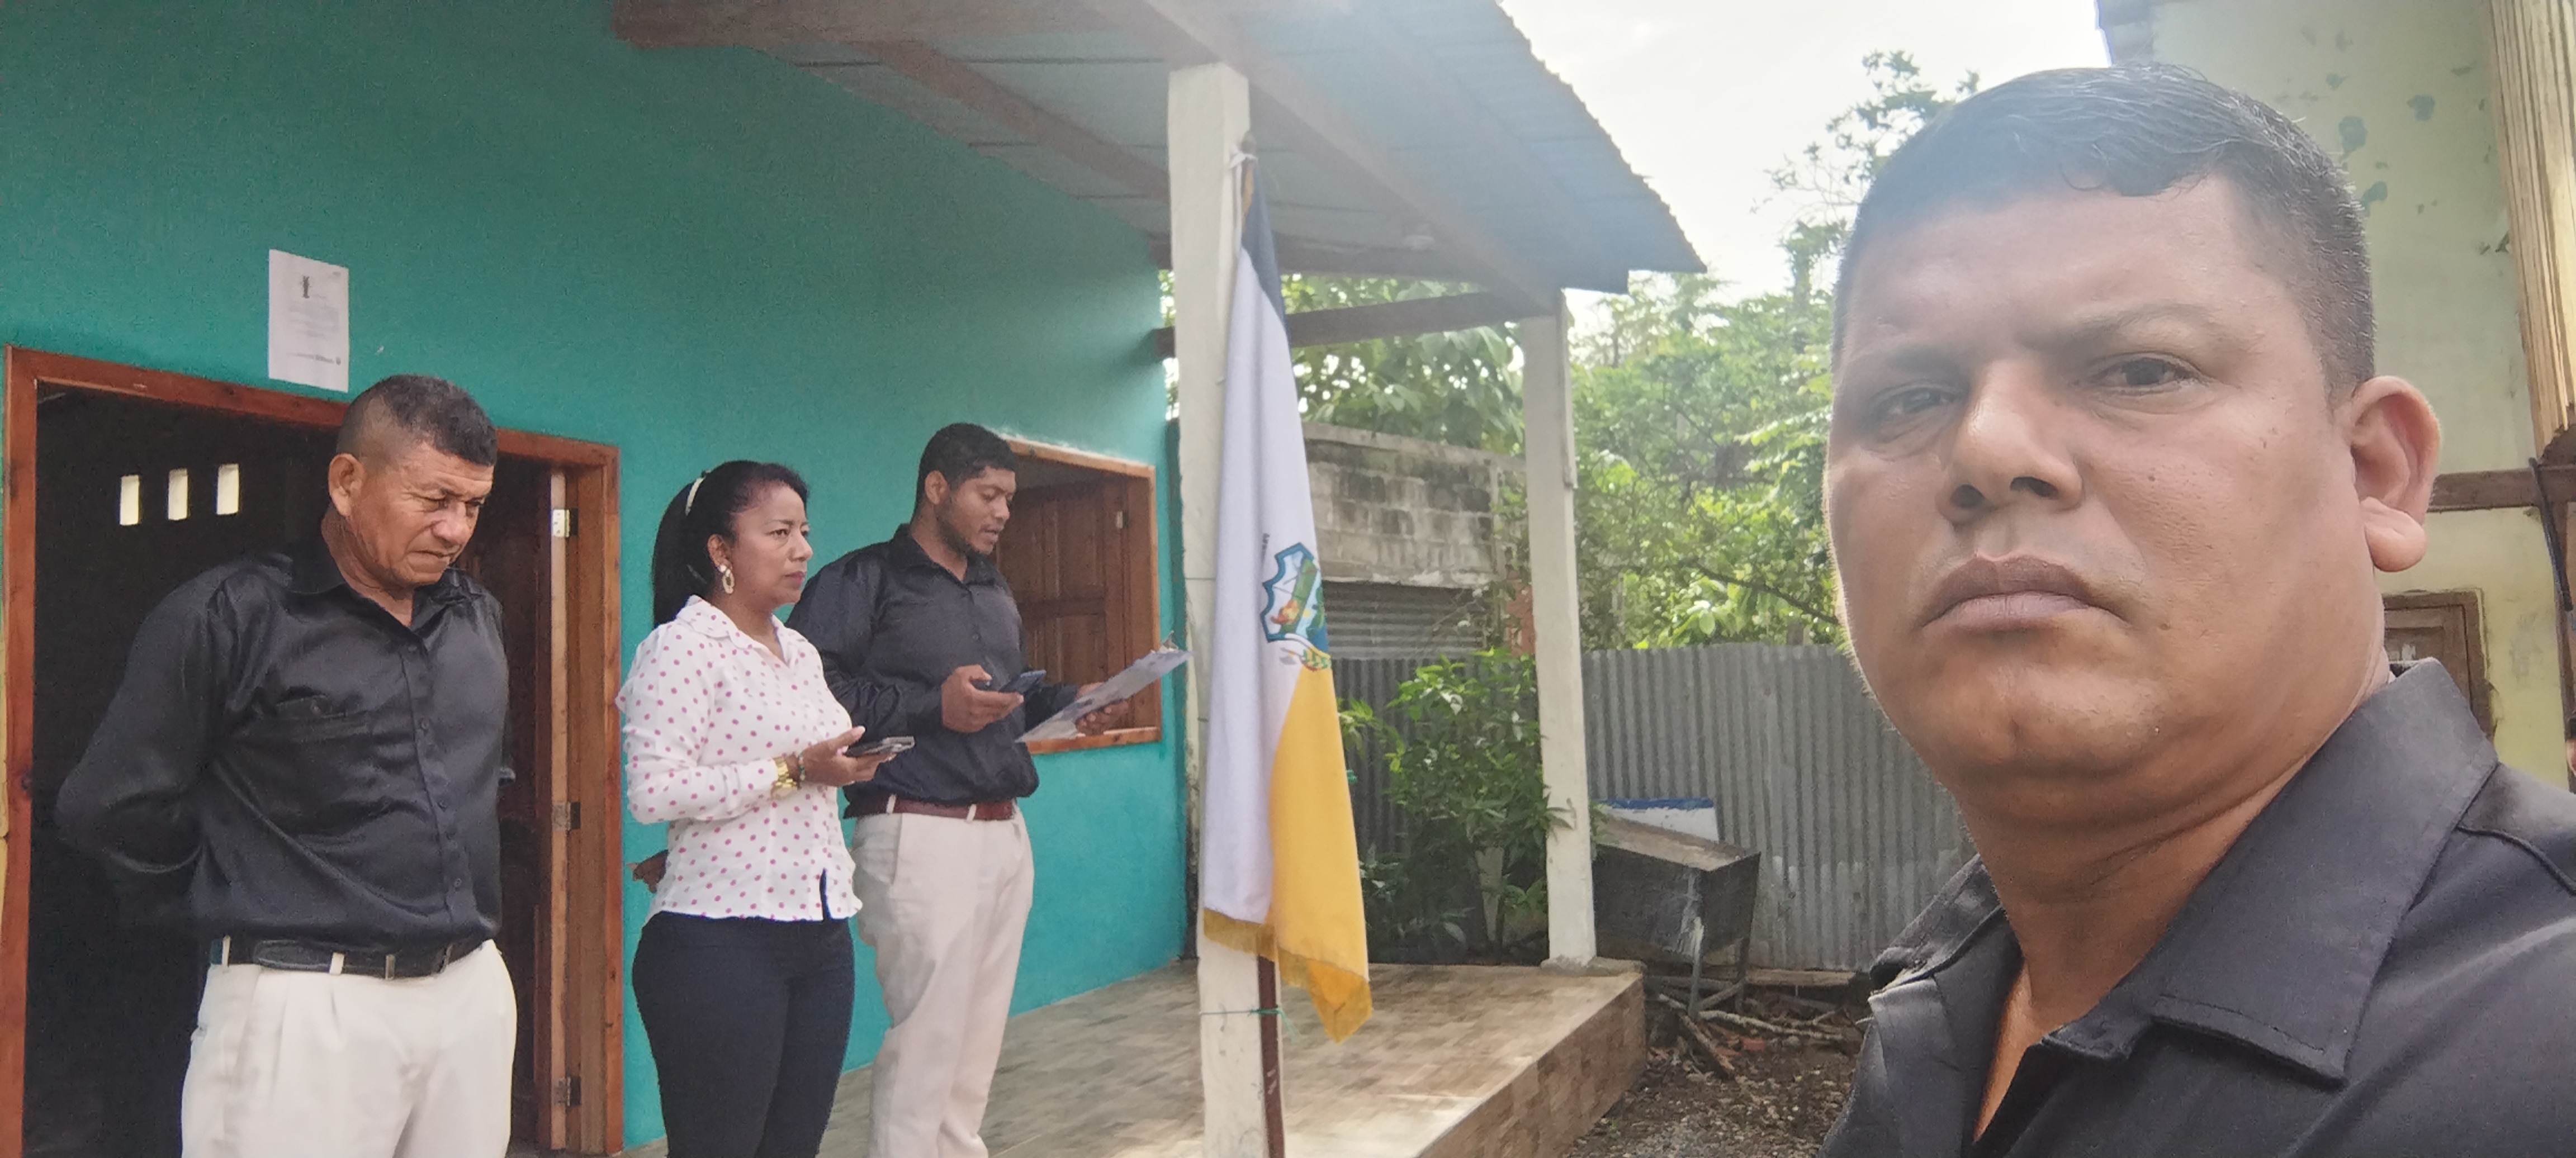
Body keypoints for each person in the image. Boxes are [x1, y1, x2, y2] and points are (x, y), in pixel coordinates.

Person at [1817, 65, 2576, 1156]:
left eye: (2138, 370)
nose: (1985, 448)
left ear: (2373, 471)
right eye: (1908, 397)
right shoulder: (1943, 1009)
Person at [56, 374, 518, 1158]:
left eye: (473, 505)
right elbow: (107, 806)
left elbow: (480, 782)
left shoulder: (477, 618)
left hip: (470, 994)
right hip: (306, 1005)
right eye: (433, 499)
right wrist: (231, 891)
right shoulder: (229, 616)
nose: (454, 529)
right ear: (347, 482)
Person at [786, 423, 1120, 1158]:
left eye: (1010, 498)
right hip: (916, 829)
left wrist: (1072, 701)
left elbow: (1005, 702)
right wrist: (930, 705)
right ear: (937, 488)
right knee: (929, 1041)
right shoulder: (861, 580)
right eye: (988, 494)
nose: (1003, 512)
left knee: (975, 1047)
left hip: (1004, 833)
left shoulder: (994, 589)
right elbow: (806, 689)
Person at [622, 460, 893, 1157]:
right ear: (721, 549)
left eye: (804, 530)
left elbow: (786, 776)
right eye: (779, 532)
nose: (803, 549)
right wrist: (795, 769)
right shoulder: (682, 647)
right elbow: (654, 790)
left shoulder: (797, 649)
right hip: (722, 943)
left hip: (819, 931)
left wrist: (839, 765)